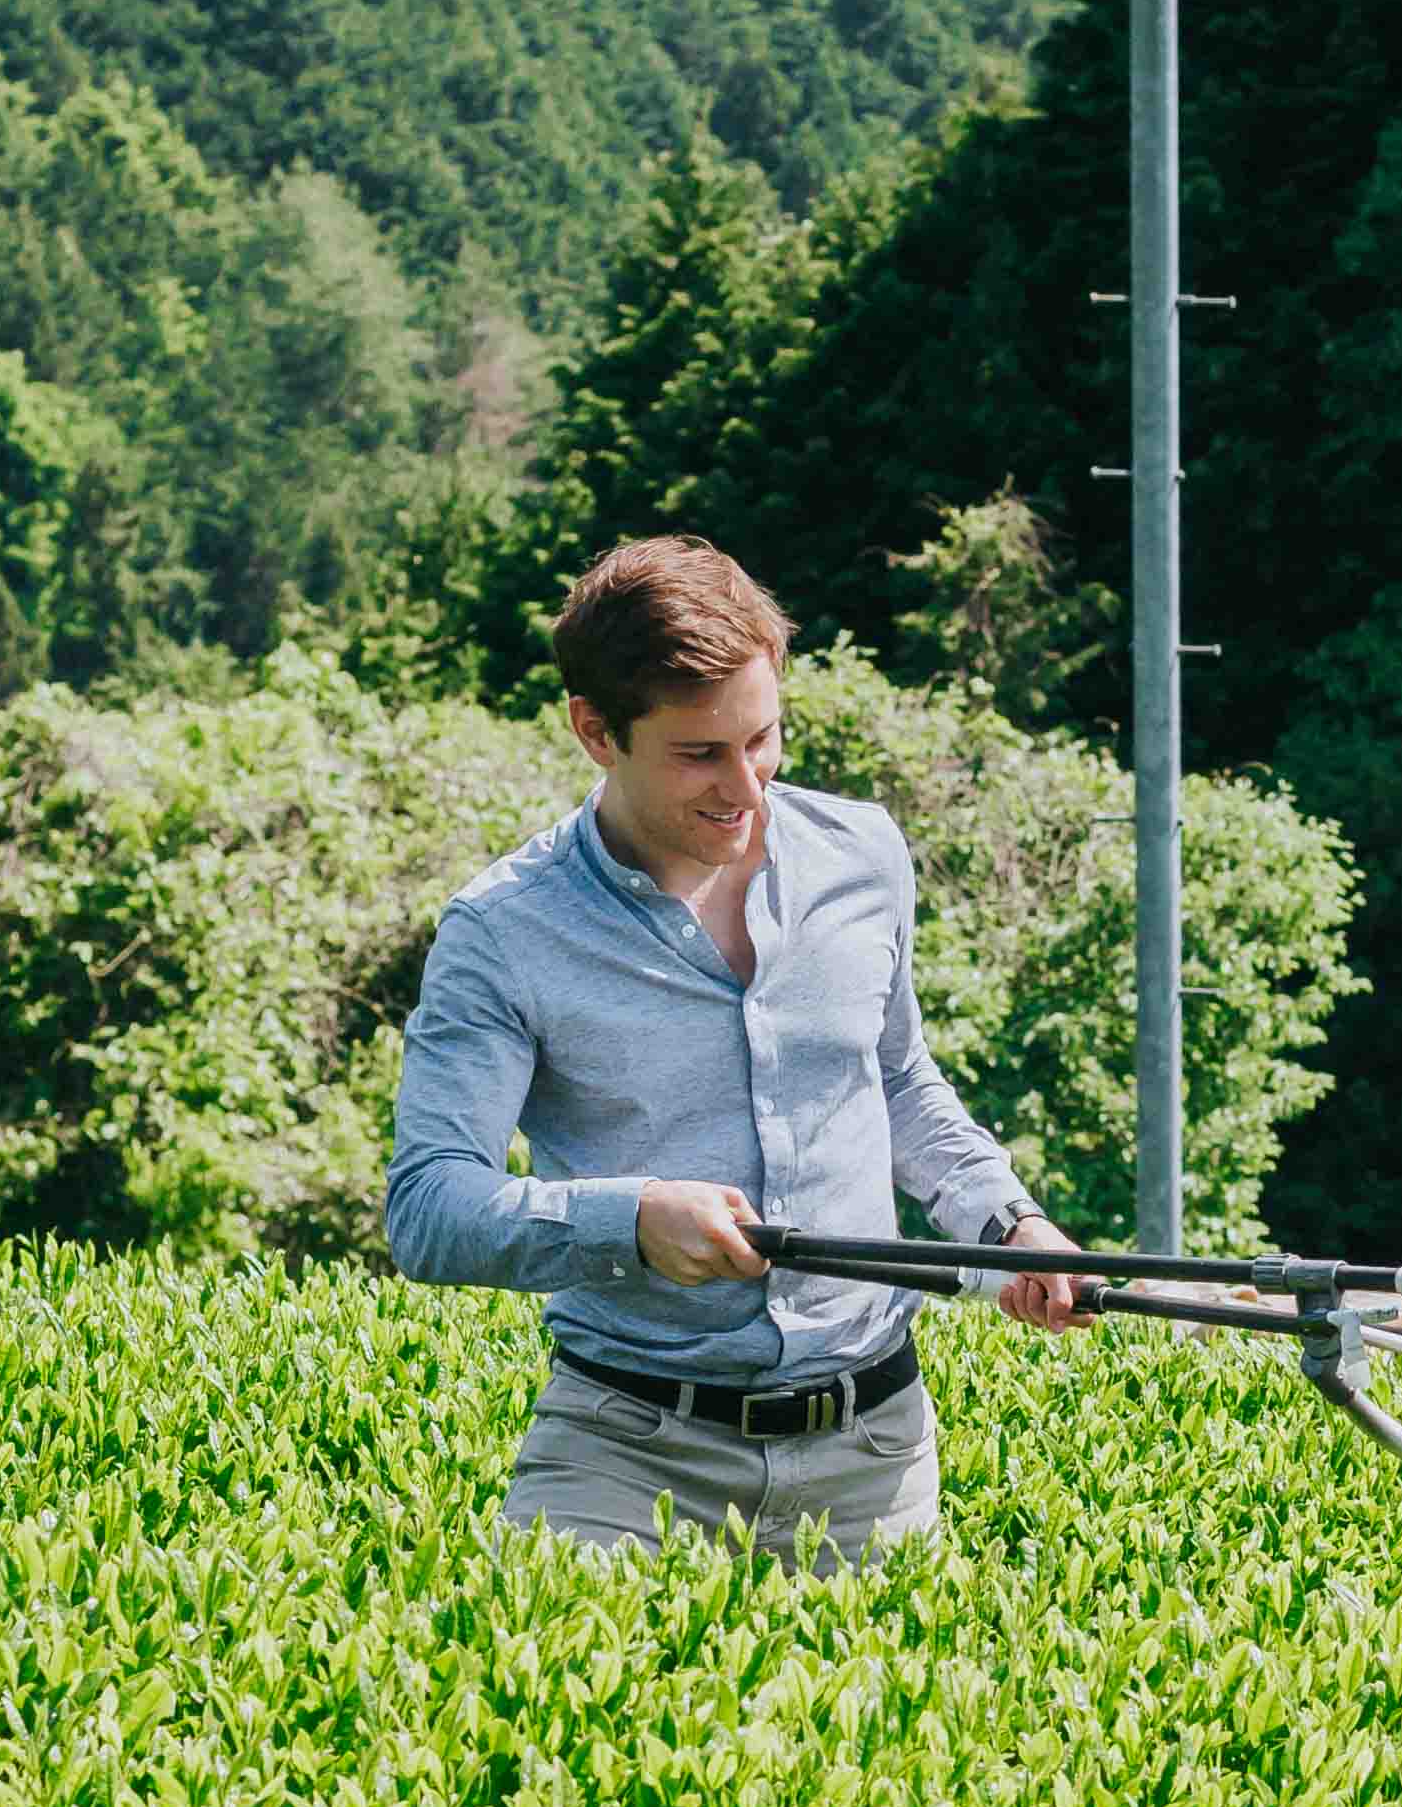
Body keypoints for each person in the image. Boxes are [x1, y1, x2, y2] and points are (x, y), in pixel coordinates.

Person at [385, 530, 1081, 1564]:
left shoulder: (862, 854)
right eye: (700, 754)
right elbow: (430, 1209)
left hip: (874, 1454)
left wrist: (1005, 1221)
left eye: (763, 740)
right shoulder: (504, 931)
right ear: (594, 731)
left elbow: (894, 1083)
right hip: (623, 1449)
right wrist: (632, 1220)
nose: (746, 789)